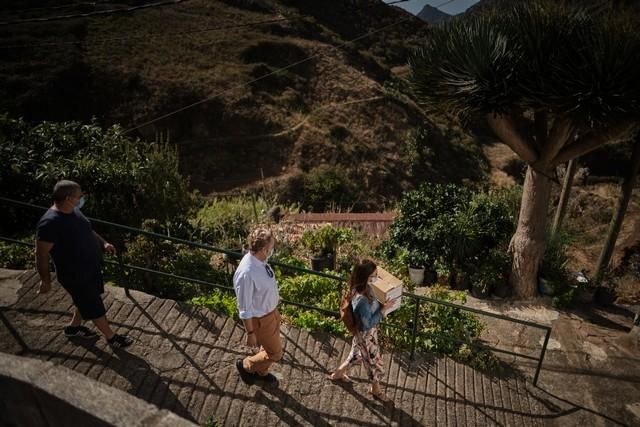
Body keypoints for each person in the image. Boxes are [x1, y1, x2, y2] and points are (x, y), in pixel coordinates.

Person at [35, 180, 133, 348]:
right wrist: (45, 280)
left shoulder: (73, 211)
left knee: (85, 300)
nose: (82, 199)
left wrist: (104, 243)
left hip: (90, 268)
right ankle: (111, 337)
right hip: (75, 275)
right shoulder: (49, 224)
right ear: (68, 198)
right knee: (94, 306)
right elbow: (41, 254)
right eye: (79, 196)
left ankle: (73, 328)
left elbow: (88, 229)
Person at [329, 259, 395, 402]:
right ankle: (375, 389)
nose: (376, 278)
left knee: (357, 354)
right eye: (374, 275)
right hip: (366, 335)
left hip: (364, 334)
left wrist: (383, 304)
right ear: (365, 277)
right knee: (374, 362)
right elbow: (367, 324)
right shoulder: (362, 300)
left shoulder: (363, 287)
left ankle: (338, 374)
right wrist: (383, 310)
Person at [233, 228, 282, 385]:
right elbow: (245, 309)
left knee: (268, 348)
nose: (272, 250)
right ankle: (247, 366)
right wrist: (250, 333)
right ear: (263, 249)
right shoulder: (246, 273)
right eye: (271, 247)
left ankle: (261, 372)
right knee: (276, 353)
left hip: (271, 313)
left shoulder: (260, 260)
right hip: (262, 320)